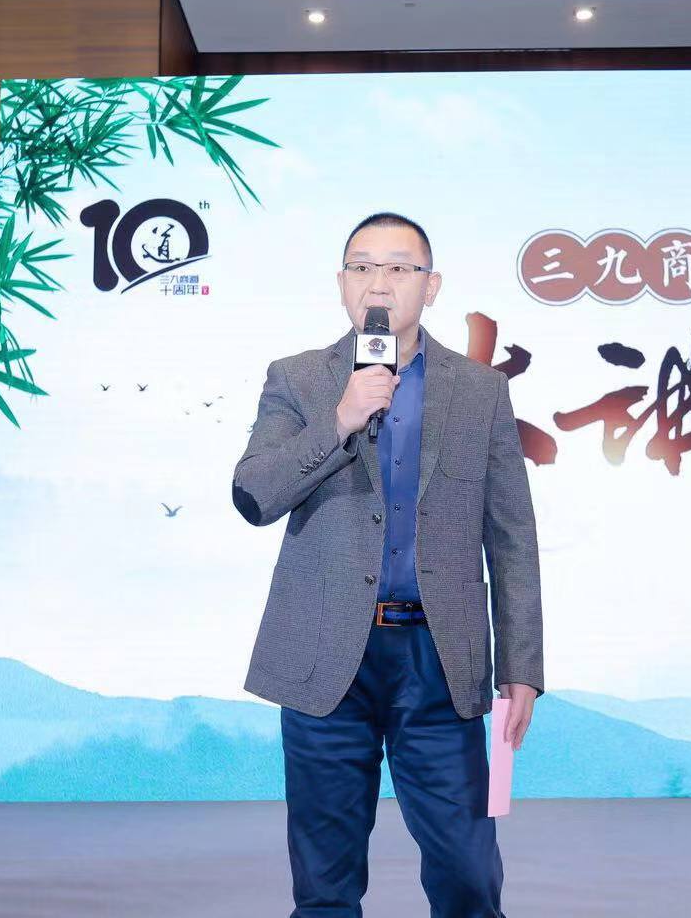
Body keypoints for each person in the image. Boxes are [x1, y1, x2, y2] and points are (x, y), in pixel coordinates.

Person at [232, 211, 544, 918]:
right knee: (325, 884)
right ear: (342, 282)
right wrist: (340, 420)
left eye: (399, 268)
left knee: (469, 873)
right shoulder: (297, 379)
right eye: (363, 266)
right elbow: (254, 494)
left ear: (430, 287)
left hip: (439, 659)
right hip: (322, 655)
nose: (379, 282)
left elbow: (511, 535)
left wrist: (521, 664)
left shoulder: (480, 390)